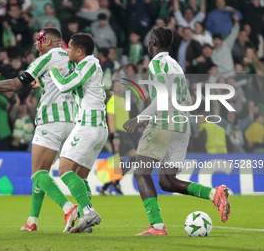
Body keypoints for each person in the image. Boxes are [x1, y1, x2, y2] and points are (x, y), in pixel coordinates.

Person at [123, 27, 231, 236]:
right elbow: (186, 99)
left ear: (153, 41)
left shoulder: (156, 63)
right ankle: (213, 194)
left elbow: (162, 98)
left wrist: (140, 118)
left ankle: (157, 226)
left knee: (141, 172)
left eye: (149, 40)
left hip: (165, 122)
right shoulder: (175, 65)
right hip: (182, 125)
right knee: (167, 180)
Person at [0, 28, 78, 233]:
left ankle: (68, 208)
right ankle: (32, 220)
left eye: (39, 41)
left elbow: (13, 85)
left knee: (37, 174)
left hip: (50, 121)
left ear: (48, 41)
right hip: (71, 121)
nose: (37, 45)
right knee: (42, 173)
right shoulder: (72, 57)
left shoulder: (46, 58)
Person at [48, 33, 108, 233]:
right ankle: (85, 222)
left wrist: (53, 72)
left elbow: (64, 85)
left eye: (70, 48)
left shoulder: (89, 63)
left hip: (88, 125)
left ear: (80, 51)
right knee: (80, 177)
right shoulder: (86, 67)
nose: (67, 51)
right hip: (97, 127)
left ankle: (88, 212)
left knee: (64, 170)